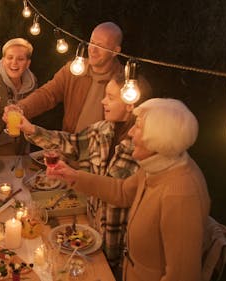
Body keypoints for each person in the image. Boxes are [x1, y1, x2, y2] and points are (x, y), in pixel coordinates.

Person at [47, 98, 211, 281]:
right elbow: (123, 191)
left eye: (138, 127)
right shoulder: (157, 165)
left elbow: (182, 276)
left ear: (158, 139)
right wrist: (74, 176)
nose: (130, 132)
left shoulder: (180, 194)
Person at [10, 73, 151, 279]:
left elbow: (125, 195)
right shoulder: (101, 130)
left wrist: (75, 176)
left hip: (122, 252)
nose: (103, 101)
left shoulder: (142, 149)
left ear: (130, 103)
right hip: (91, 237)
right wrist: (31, 129)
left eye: (110, 97)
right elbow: (70, 142)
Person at [17, 22, 123, 133]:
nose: (92, 50)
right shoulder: (73, 71)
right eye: (92, 42)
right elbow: (47, 94)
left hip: (104, 148)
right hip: (69, 145)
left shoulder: (125, 84)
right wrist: (21, 108)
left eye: (100, 46)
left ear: (115, 51)